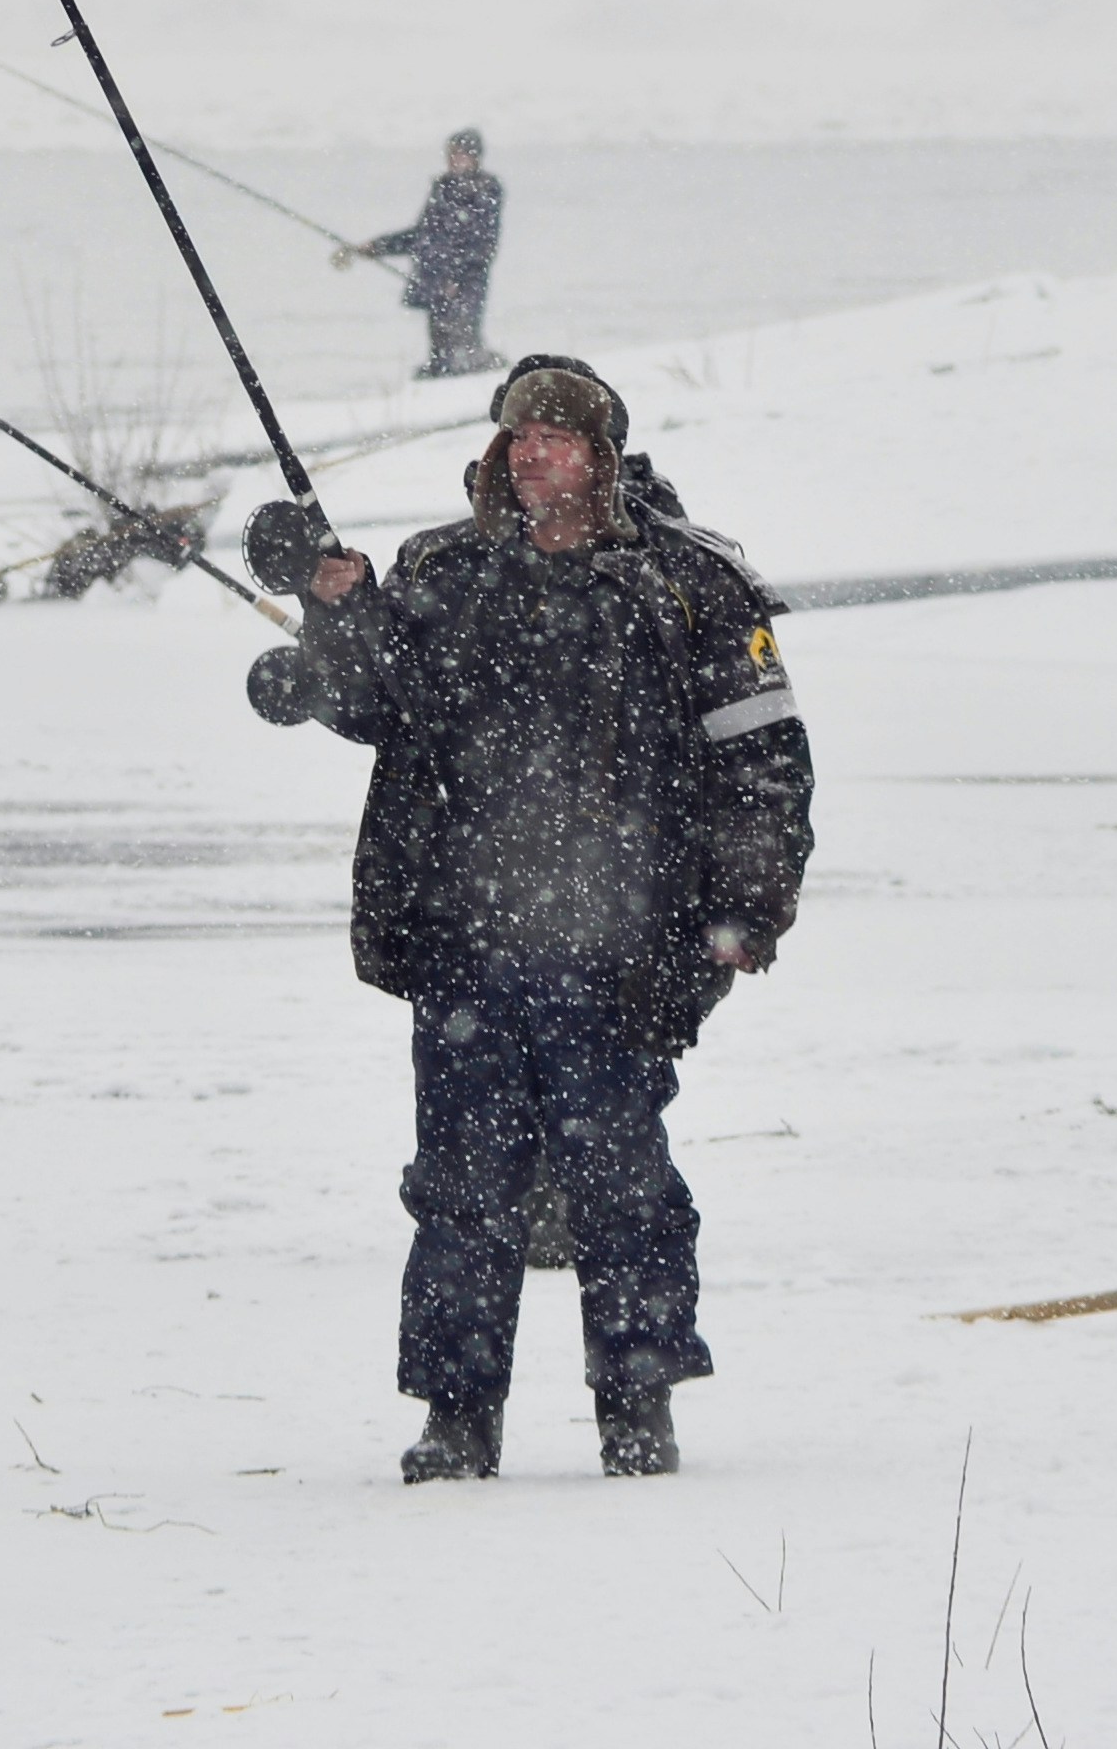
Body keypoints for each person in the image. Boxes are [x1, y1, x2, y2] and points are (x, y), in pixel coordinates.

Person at [274, 354, 813, 1483]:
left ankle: (639, 1403)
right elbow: (374, 705)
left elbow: (764, 765)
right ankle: (457, 1416)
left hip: (623, 951)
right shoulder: (441, 570)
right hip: (467, 946)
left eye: (553, 437)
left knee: (624, 1185)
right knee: (462, 1187)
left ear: (602, 458)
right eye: (515, 437)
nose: (529, 455)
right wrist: (336, 612)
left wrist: (742, 920)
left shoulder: (689, 584)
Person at [345, 130, 504, 378]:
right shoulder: (443, 188)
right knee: (440, 356)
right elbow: (422, 235)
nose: (453, 160)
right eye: (450, 154)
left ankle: (479, 385)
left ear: (475, 157)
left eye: (459, 154)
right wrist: (377, 247)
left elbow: (481, 245)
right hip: (437, 283)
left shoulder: (486, 191)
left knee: (463, 350)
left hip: (464, 287)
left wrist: (457, 279)